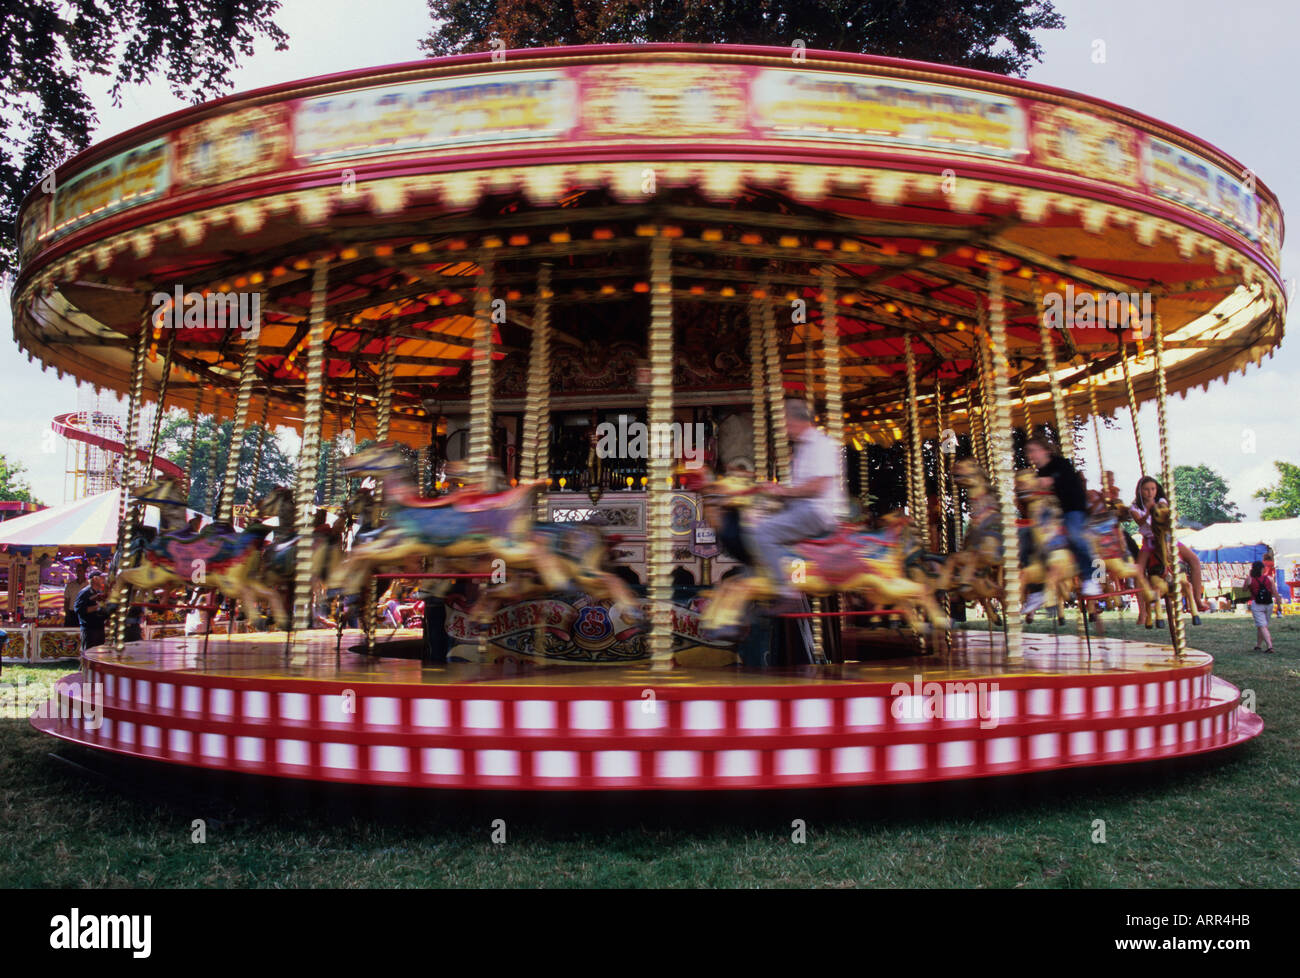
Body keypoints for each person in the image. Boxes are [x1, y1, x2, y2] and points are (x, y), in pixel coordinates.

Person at [752, 400, 846, 602]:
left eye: (785, 423)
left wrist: (785, 492)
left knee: (763, 531)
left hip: (815, 511)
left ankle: (786, 591)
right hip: (803, 507)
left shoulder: (821, 444)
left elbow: (819, 486)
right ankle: (790, 576)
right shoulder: (803, 448)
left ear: (797, 420)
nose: (784, 429)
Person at [1022, 437, 1101, 614]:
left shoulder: (1061, 464)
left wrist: (1041, 482)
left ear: (1046, 451)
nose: (1030, 455)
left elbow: (1053, 480)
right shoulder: (1039, 472)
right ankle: (1036, 590)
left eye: (1033, 450)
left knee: (1075, 535)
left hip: (1073, 509)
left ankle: (1091, 577)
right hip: (1054, 513)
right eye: (1028, 452)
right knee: (1028, 538)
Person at [1130, 475, 1211, 613]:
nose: (1150, 492)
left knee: (1194, 560)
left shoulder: (1161, 501)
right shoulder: (1135, 507)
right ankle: (1143, 611)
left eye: (1153, 489)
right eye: (1146, 489)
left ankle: (1197, 599)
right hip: (1150, 541)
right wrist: (1148, 512)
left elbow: (1166, 513)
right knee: (1138, 570)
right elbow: (1139, 522)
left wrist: (1162, 509)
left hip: (1167, 538)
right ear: (1140, 491)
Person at [1244, 560, 1279, 653]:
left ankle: (1270, 646)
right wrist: (1279, 605)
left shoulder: (1250, 578)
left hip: (1257, 604)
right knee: (1262, 625)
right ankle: (1258, 645)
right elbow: (1275, 593)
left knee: (1262, 626)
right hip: (1269, 604)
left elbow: (1244, 589)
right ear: (1262, 569)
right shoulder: (1269, 578)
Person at [73, 570, 110, 650]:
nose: (104, 580)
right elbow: (78, 609)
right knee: (89, 654)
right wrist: (97, 606)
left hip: (99, 628)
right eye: (101, 578)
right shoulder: (85, 592)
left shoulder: (98, 592)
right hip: (89, 630)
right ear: (95, 579)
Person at [63, 561, 86, 627]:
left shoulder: (89, 585)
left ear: (84, 571)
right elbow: (66, 601)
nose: (78, 572)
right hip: (72, 614)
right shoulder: (70, 586)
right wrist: (67, 613)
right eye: (77, 571)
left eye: (80, 570)